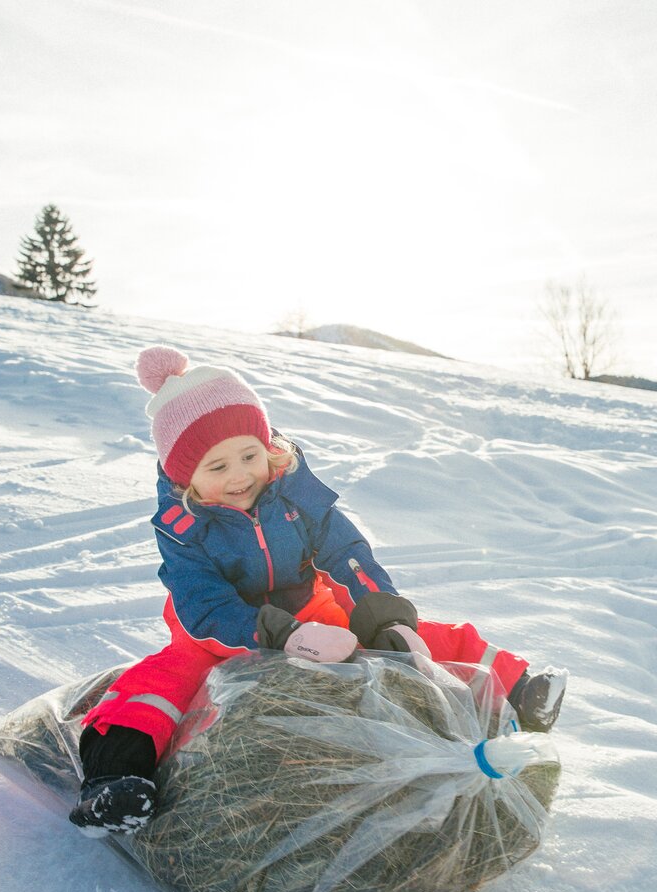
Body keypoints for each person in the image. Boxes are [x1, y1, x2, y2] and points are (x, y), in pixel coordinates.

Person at [69, 346, 566, 834]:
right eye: (218, 467)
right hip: (216, 635)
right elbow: (203, 605)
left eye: (250, 454)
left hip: (311, 610)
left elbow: (348, 554)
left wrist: (385, 616)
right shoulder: (183, 528)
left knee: (421, 638)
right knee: (161, 684)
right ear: (188, 479)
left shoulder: (294, 496)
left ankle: (519, 688)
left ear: (269, 447)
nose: (241, 475)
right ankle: (114, 781)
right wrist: (279, 636)